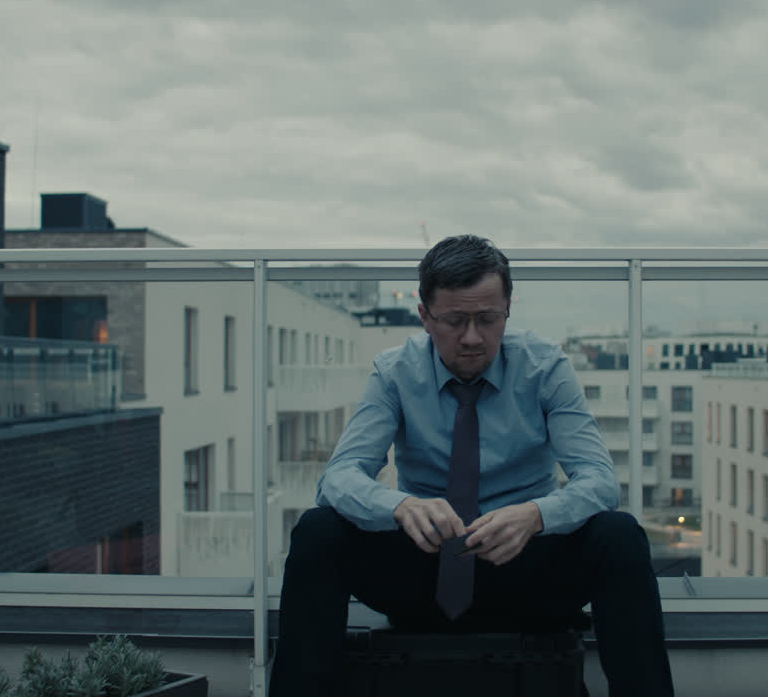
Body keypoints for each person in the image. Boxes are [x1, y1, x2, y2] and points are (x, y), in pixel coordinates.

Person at [270, 235, 675, 696]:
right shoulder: (395, 371)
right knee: (317, 531)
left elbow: (600, 481)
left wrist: (537, 516)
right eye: (455, 321)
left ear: (508, 311)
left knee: (619, 535)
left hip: (525, 566)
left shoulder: (545, 367)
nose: (472, 338)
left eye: (488, 319)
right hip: (426, 567)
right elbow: (338, 478)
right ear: (425, 316)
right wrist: (400, 506)